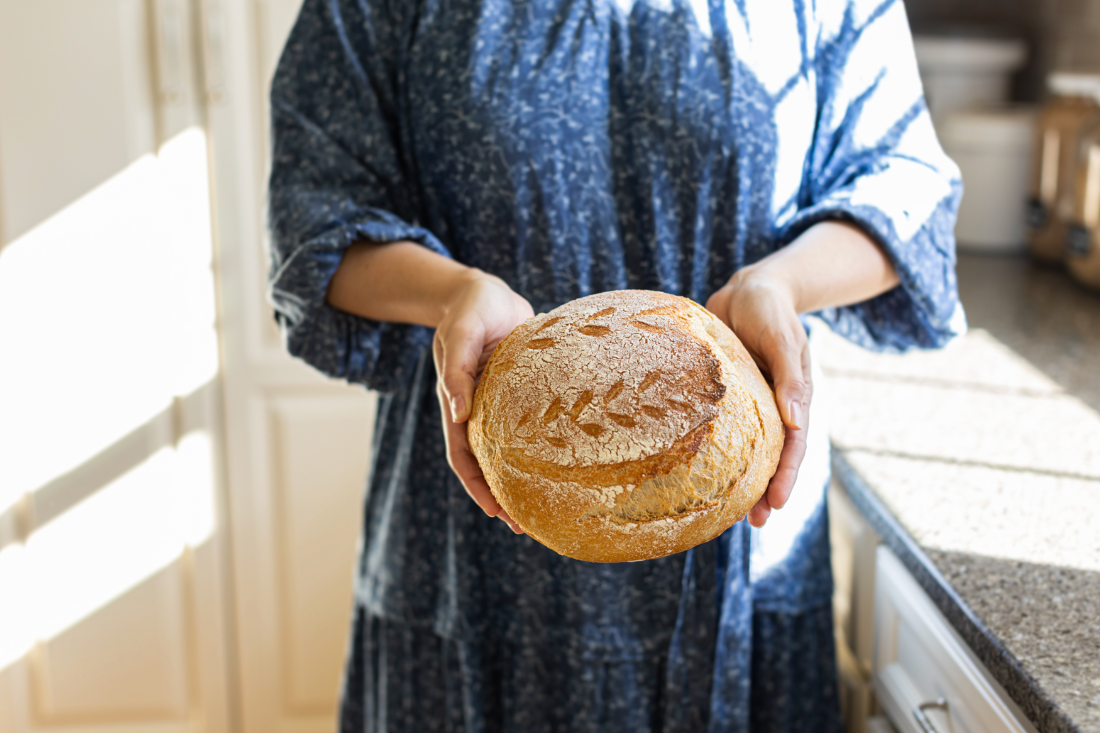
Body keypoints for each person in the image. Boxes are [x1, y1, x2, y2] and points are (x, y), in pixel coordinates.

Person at [267, 0, 964, 730]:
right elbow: (310, 217)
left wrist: (780, 282)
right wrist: (452, 293)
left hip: (736, 541)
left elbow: (907, 193)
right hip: (474, 534)